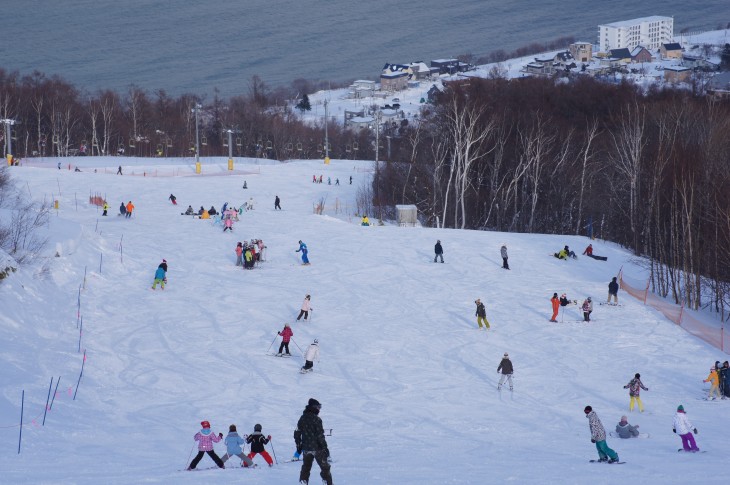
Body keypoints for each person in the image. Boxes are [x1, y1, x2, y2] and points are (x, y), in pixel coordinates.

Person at [297, 398, 333, 485]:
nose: (319, 409)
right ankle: (326, 481)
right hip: (318, 449)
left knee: (306, 467)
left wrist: (299, 445)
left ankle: (303, 481)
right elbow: (320, 436)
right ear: (313, 407)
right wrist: (325, 449)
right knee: (325, 468)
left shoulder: (302, 418)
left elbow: (297, 432)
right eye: (318, 407)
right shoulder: (317, 419)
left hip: (306, 449)